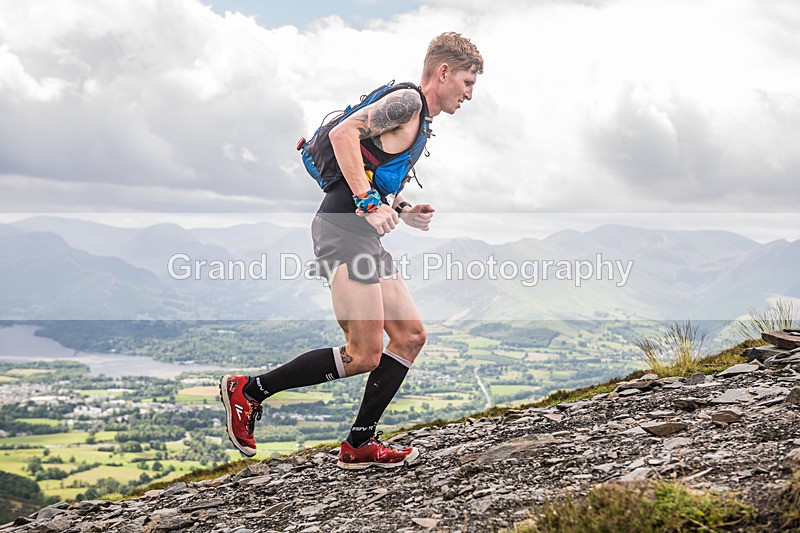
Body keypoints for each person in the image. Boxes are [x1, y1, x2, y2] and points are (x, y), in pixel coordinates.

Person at [220, 32, 484, 469]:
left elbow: (372, 170)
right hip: (343, 231)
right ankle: (249, 390)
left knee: (410, 336)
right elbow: (345, 134)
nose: (469, 94)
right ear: (443, 72)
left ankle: (360, 442)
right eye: (467, 82)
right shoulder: (408, 103)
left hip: (362, 237)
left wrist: (403, 209)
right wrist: (367, 203)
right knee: (363, 353)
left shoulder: (418, 121)